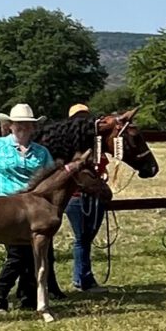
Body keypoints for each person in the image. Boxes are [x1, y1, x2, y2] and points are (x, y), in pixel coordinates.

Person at [0, 103, 55, 313]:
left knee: (31, 253)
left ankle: (27, 298)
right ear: (10, 125)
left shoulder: (42, 152)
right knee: (18, 254)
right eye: (19, 124)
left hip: (33, 209)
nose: (23, 128)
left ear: (33, 127)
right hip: (3, 208)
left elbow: (52, 179)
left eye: (27, 124)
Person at [62, 104, 111, 292]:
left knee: (86, 238)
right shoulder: (66, 144)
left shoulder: (94, 143)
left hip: (94, 195)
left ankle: (82, 277)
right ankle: (83, 280)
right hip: (76, 196)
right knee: (82, 238)